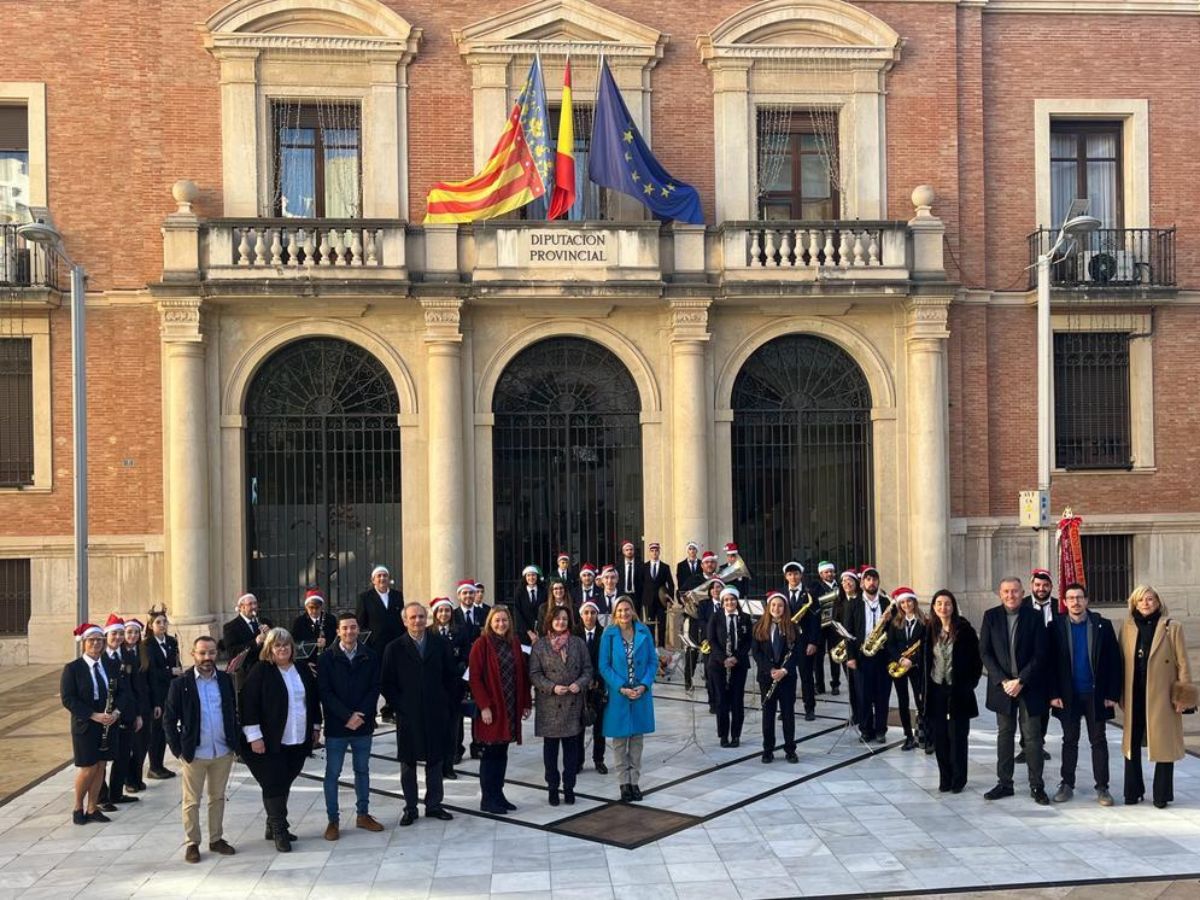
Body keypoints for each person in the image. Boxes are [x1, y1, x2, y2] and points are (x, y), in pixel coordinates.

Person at [240, 627, 322, 851]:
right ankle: (279, 829)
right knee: (273, 782)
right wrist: (254, 736)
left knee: (286, 779)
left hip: (297, 737)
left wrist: (316, 726)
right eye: (277, 645)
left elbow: (313, 699)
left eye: (286, 645)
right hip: (270, 740)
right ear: (269, 649)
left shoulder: (302, 669)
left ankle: (271, 823)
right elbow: (248, 704)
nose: (282, 649)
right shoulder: (260, 671)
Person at [163, 635, 239, 862]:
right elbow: (168, 719)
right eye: (203, 653)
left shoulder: (225, 680)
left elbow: (232, 711)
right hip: (195, 752)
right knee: (192, 801)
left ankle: (216, 839)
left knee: (217, 798)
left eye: (212, 653)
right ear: (193, 654)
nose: (207, 658)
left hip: (222, 751)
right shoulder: (181, 684)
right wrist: (178, 750)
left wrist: (234, 742)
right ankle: (192, 842)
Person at [381, 602, 458, 825]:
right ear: (405, 621)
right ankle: (411, 807)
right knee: (408, 762)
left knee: (436, 760)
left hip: (436, 712)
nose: (418, 621)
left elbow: (451, 676)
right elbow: (387, 682)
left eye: (421, 617)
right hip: (409, 714)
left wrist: (446, 702)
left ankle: (434, 805)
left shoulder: (440, 644)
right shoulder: (394, 648)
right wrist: (400, 705)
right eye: (413, 617)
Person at [1119, 585, 1195, 808]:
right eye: (1141, 600)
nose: (1146, 603)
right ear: (1134, 603)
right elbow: (1121, 662)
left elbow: (1183, 663)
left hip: (1162, 695)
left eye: (1150, 599)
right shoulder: (1127, 626)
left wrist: (1183, 696)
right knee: (1131, 744)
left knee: (1163, 744)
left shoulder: (1172, 627)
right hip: (1134, 693)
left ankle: (1161, 795)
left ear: (1158, 602)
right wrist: (1119, 693)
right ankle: (1132, 791)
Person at [1047, 583, 1121, 806]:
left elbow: (1114, 662)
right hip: (1068, 695)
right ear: (1065, 602)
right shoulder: (1055, 627)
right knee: (1069, 740)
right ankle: (1067, 783)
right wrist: (1053, 694)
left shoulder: (1102, 625)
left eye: (1079, 597)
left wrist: (1112, 694)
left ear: (1087, 600)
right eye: (1070, 598)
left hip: (1095, 694)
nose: (1075, 602)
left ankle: (1102, 787)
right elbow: (1048, 664)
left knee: (1098, 740)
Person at [980, 577, 1050, 805]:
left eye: (1015, 591)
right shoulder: (991, 617)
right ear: (1000, 594)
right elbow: (985, 653)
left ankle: (1037, 785)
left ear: (1023, 593)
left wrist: (1021, 680)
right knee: (1005, 735)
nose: (1011, 595)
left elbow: (1041, 654)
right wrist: (1003, 681)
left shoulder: (1035, 617)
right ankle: (1004, 783)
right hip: (1003, 688)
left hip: (1029, 687)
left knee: (1032, 737)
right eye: (1006, 591)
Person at [904, 590, 981, 793]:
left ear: (953, 606)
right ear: (933, 607)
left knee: (958, 738)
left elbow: (976, 662)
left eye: (947, 604)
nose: (943, 608)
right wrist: (922, 689)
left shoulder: (965, 630)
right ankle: (944, 778)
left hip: (958, 692)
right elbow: (923, 661)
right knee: (940, 738)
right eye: (939, 603)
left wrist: (968, 685)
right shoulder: (928, 630)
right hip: (936, 691)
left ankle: (958, 779)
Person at [317, 611, 385, 840]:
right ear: (337, 631)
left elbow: (374, 687)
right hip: (337, 727)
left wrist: (361, 715)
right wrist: (347, 716)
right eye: (344, 628)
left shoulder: (370, 656)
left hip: (363, 726)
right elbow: (325, 692)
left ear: (358, 629)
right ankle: (333, 820)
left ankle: (363, 814)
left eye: (353, 627)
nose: (349, 631)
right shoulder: (327, 658)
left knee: (362, 770)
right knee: (332, 773)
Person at [468, 605, 532, 814]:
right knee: (490, 754)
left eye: (504, 620)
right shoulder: (481, 644)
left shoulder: (513, 642)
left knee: (502, 752)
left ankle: (499, 794)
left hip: (510, 706)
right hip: (493, 709)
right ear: (490, 622)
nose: (501, 624)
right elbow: (475, 678)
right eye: (497, 620)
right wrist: (484, 706)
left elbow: (522, 674)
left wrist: (525, 703)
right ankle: (488, 798)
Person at [529, 606, 593, 805]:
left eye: (565, 619)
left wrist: (579, 684)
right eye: (557, 619)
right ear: (550, 621)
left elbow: (588, 669)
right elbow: (534, 674)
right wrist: (552, 687)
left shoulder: (578, 643)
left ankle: (569, 787)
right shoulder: (540, 646)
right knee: (551, 752)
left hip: (573, 705)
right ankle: (552, 787)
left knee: (571, 752)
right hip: (550, 705)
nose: (561, 622)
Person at [61, 623, 122, 825]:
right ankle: (78, 806)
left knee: (101, 766)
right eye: (92, 640)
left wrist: (116, 712)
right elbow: (68, 699)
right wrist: (93, 715)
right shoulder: (73, 668)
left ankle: (93, 807)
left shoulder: (109, 664)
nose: (96, 643)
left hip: (108, 723)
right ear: (84, 643)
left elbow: (122, 692)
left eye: (99, 640)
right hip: (86, 724)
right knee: (88, 768)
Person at [598, 596, 657, 801]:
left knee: (637, 742)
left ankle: (635, 781)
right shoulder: (609, 634)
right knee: (620, 741)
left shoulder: (644, 631)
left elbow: (652, 662)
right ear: (615, 614)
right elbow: (604, 666)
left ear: (633, 611)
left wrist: (644, 684)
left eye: (627, 609)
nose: (624, 614)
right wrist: (621, 687)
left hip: (640, 693)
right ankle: (624, 783)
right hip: (619, 695)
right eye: (620, 610)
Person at [843, 567, 893, 744]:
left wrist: (889, 621)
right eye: (868, 579)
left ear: (878, 582)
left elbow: (894, 631)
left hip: (882, 655)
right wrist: (850, 657)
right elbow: (847, 632)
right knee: (863, 695)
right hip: (861, 655)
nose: (871, 583)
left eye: (874, 579)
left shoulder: (887, 603)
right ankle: (866, 729)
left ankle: (881, 730)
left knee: (882, 695)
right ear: (862, 583)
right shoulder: (853, 603)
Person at [753, 594, 800, 764]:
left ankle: (790, 749)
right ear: (768, 607)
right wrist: (771, 669)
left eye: (780, 606)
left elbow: (797, 653)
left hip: (786, 678)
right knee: (768, 715)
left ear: (785, 608)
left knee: (788, 714)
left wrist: (785, 670)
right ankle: (768, 750)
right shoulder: (759, 627)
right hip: (767, 677)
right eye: (773, 605)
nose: (776, 609)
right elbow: (757, 653)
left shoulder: (793, 627)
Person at [101, 615, 142, 806]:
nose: (117, 638)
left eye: (119, 633)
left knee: (123, 755)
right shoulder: (99, 658)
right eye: (114, 634)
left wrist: (138, 714)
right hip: (106, 715)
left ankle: (116, 794)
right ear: (106, 636)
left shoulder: (128, 656)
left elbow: (134, 687)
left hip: (125, 713)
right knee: (101, 759)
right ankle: (101, 797)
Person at [1019, 567, 1057, 764]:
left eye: (1045, 585)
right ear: (1031, 586)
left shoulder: (1060, 607)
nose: (1041, 588)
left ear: (1051, 587)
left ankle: (1038, 743)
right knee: (1025, 709)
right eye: (1037, 585)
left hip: (1051, 668)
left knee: (1044, 710)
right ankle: (1026, 746)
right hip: (1028, 667)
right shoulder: (1022, 606)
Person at [357, 565, 405, 721]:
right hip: (374, 645)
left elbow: (403, 619)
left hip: (395, 644)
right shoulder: (365, 597)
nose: (382, 579)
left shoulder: (398, 596)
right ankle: (370, 714)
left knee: (393, 678)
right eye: (379, 576)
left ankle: (389, 711)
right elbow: (361, 623)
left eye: (385, 576)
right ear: (373, 580)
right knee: (374, 680)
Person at [430, 597, 472, 774]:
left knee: (453, 726)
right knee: (436, 728)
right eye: (440, 611)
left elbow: (465, 654)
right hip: (435, 687)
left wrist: (461, 666)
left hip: (454, 686)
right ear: (435, 613)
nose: (444, 614)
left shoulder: (460, 632)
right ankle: (436, 765)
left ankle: (450, 764)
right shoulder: (429, 633)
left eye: (447, 611)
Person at [707, 586, 751, 747]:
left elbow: (748, 641)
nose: (730, 602)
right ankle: (723, 734)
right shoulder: (716, 617)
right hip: (718, 665)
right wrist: (723, 659)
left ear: (736, 601)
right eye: (726, 600)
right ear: (722, 601)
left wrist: (736, 658)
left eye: (732, 599)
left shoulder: (745, 618)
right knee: (721, 700)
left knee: (737, 700)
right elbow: (711, 640)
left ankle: (736, 735)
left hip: (739, 664)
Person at [141, 606, 181, 781]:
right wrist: (171, 671)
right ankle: (154, 766)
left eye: (164, 622)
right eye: (158, 622)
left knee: (166, 729)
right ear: (151, 625)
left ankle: (161, 764)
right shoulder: (147, 645)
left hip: (170, 691)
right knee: (156, 731)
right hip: (156, 693)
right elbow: (150, 672)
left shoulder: (172, 642)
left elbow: (175, 663)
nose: (162, 625)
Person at [888, 588, 927, 751]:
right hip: (899, 666)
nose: (906, 605)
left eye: (909, 601)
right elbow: (890, 644)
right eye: (902, 602)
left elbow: (926, 646)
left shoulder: (925, 622)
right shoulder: (895, 622)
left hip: (916, 667)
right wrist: (900, 659)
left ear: (914, 602)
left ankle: (926, 737)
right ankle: (908, 737)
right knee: (903, 702)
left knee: (921, 701)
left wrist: (913, 660)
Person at [783, 566, 822, 722]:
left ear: (801, 575)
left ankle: (810, 708)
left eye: (796, 574)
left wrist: (813, 642)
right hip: (785, 641)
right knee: (785, 677)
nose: (793, 577)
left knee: (806, 677)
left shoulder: (810, 594)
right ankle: (786, 708)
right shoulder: (781, 593)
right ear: (786, 576)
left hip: (804, 641)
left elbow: (815, 621)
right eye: (790, 574)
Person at [121, 618, 152, 794]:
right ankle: (129, 780)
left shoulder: (143, 652)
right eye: (129, 632)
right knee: (130, 746)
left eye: (135, 632)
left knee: (142, 744)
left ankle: (137, 778)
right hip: (129, 707)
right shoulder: (121, 654)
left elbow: (150, 678)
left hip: (144, 703)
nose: (133, 636)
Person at [579, 600, 608, 773]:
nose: (589, 616)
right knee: (579, 727)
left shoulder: (604, 634)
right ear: (581, 615)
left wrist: (596, 678)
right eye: (586, 613)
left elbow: (605, 659)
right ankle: (578, 760)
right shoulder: (574, 634)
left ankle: (599, 759)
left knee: (600, 727)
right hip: (580, 687)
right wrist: (584, 680)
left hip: (598, 685)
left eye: (593, 613)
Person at [223, 593, 272, 693]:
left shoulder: (265, 622)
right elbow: (232, 651)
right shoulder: (230, 627)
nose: (254, 607)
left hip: (266, 669)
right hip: (246, 672)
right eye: (250, 604)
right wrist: (256, 641)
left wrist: (271, 635)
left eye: (255, 603)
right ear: (241, 607)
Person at [813, 560, 841, 695]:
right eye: (826, 572)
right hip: (820, 626)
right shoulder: (816, 587)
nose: (829, 574)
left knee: (835, 655)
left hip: (835, 626)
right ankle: (819, 685)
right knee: (818, 657)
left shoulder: (840, 586)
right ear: (821, 574)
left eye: (831, 571)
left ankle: (835, 684)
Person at [641, 541, 675, 647]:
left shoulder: (665, 567)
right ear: (649, 553)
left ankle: (661, 649)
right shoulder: (644, 567)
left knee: (662, 626)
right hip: (648, 601)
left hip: (662, 602)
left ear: (659, 552)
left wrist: (669, 600)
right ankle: (651, 648)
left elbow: (671, 584)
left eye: (656, 550)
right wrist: (643, 600)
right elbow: (641, 583)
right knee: (649, 626)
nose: (654, 553)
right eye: (652, 551)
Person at [839, 569, 862, 723]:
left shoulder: (861, 600)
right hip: (844, 648)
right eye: (844, 581)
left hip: (858, 648)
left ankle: (864, 713)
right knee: (851, 684)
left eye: (850, 581)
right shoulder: (838, 601)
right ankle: (856, 713)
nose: (847, 583)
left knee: (860, 684)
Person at [291, 588, 337, 660]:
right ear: (306, 607)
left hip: (328, 659)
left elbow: (336, 639)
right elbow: (295, 643)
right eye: (311, 607)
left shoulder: (330, 619)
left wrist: (326, 642)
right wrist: (314, 642)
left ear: (321, 607)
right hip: (307, 661)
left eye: (317, 608)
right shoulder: (299, 622)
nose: (314, 611)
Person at [512, 565, 545, 644]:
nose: (531, 578)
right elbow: (517, 613)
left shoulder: (544, 591)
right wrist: (529, 633)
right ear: (525, 577)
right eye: (528, 575)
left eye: (533, 575)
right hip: (524, 633)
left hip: (541, 632)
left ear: (537, 576)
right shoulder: (519, 592)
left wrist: (539, 631)